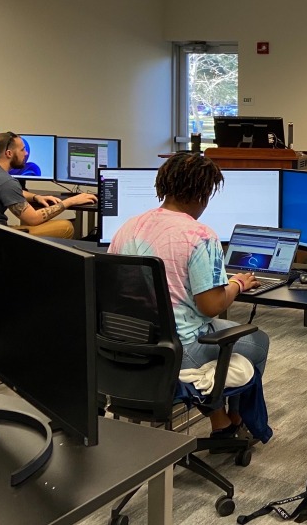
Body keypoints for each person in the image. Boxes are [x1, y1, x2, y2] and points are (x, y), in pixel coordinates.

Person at [108, 152, 270, 442]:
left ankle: (221, 421)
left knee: (227, 334)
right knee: (257, 342)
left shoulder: (128, 226)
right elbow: (211, 306)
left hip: (127, 339)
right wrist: (237, 284)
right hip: (177, 348)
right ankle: (237, 421)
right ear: (204, 192)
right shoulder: (200, 236)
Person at [0, 131, 95, 238]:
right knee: (66, 226)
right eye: (22, 150)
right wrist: (71, 201)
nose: (26, 153)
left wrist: (36, 197)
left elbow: (2, 191)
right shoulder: (5, 181)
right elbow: (33, 219)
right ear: (9, 153)